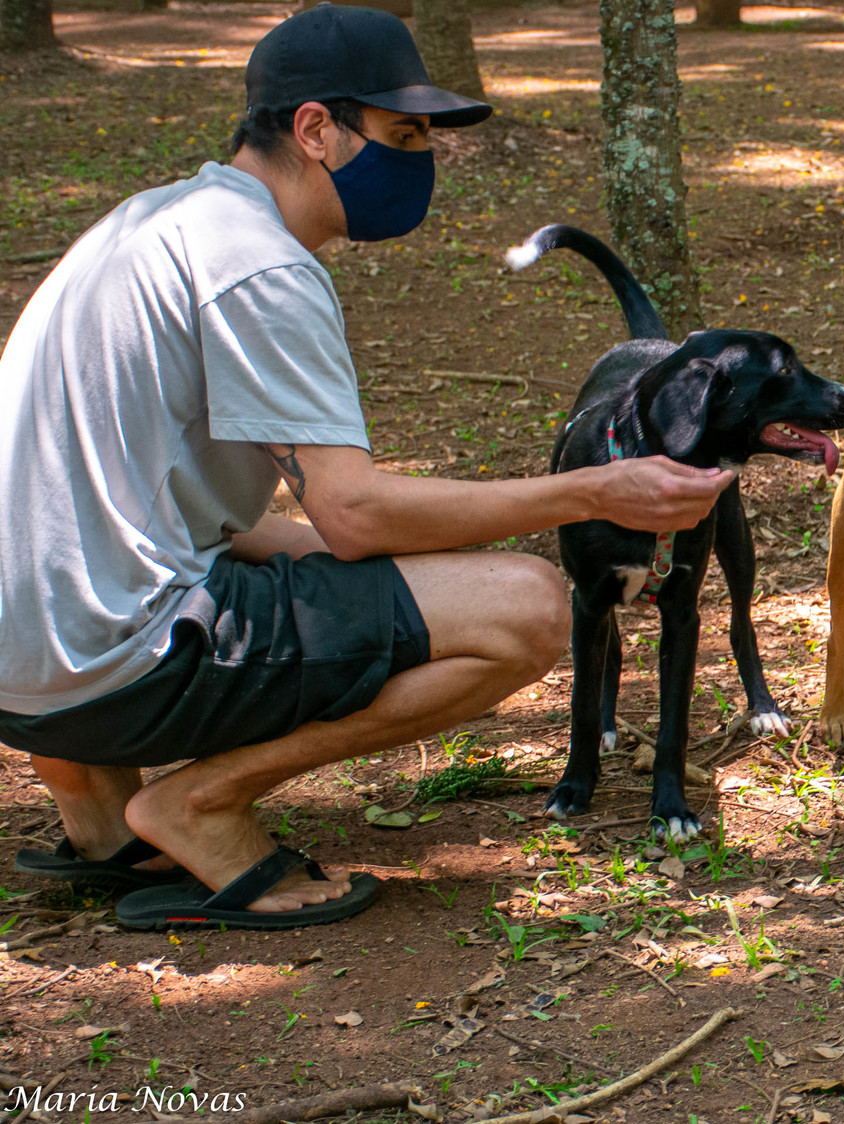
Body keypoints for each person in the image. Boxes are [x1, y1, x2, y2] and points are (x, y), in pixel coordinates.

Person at [0, 3, 734, 929]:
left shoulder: (147, 224)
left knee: (320, 565)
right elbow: (355, 516)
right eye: (404, 135)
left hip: (21, 675)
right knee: (526, 606)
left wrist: (384, 563)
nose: (423, 159)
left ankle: (98, 818)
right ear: (317, 129)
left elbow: (174, 510)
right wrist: (594, 489)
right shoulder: (260, 265)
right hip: (110, 666)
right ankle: (201, 804)